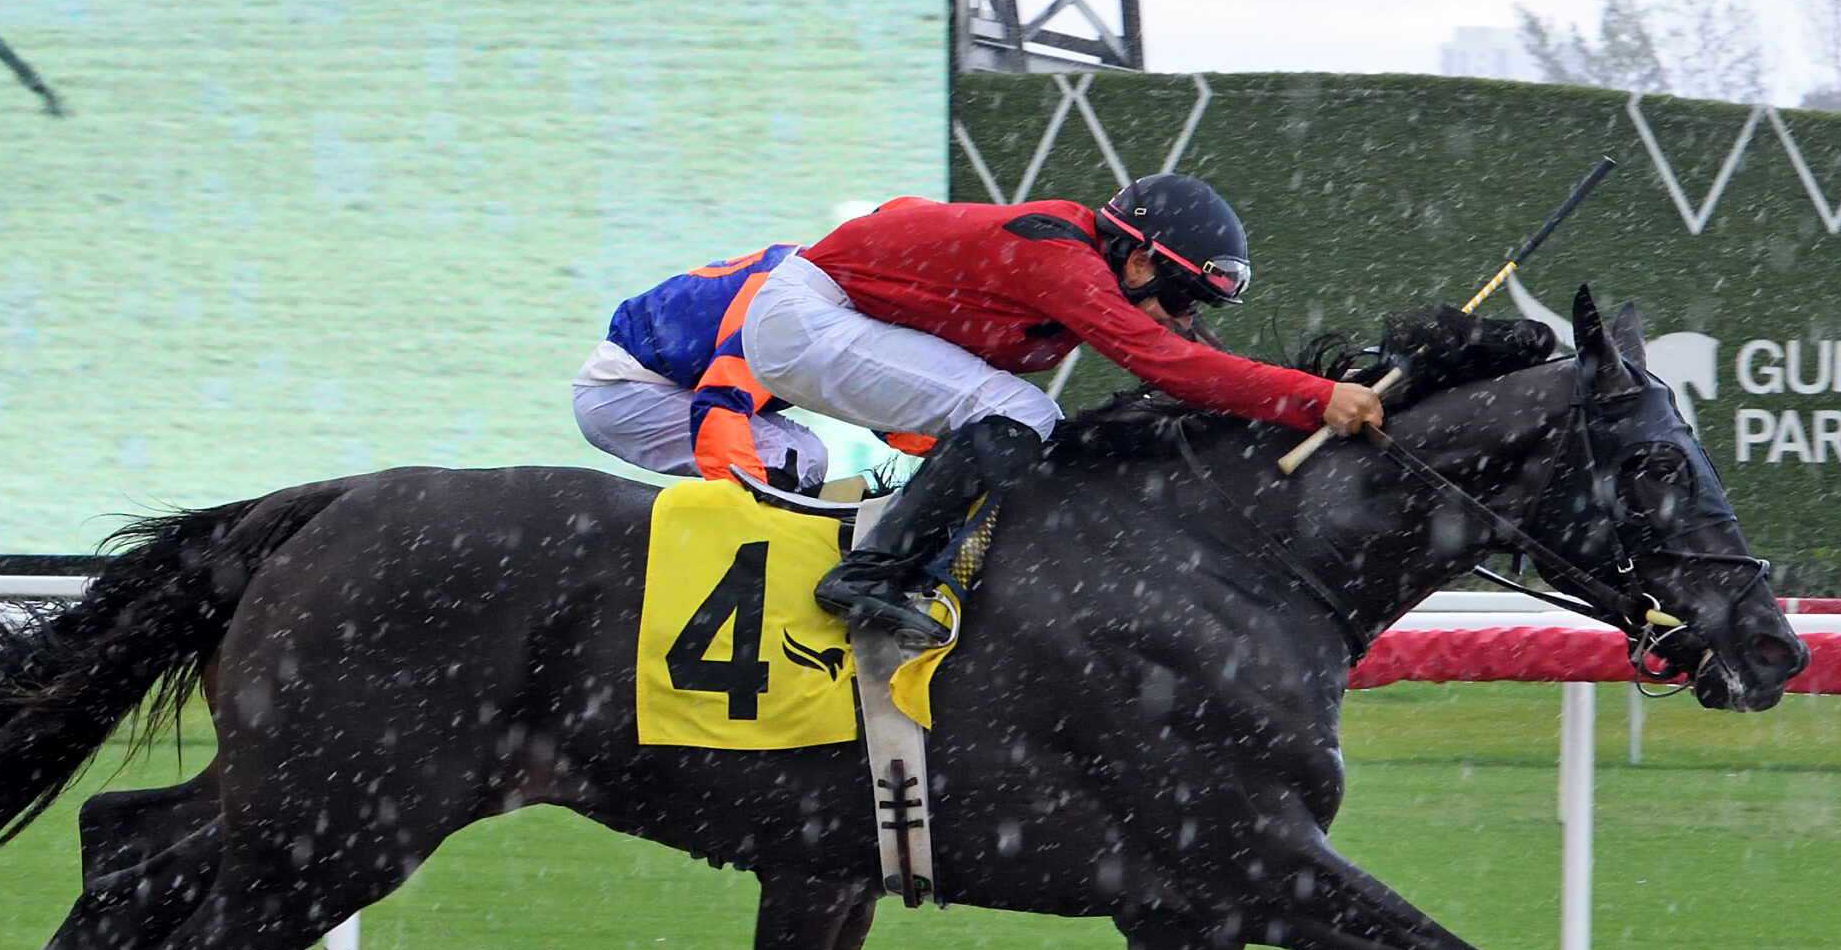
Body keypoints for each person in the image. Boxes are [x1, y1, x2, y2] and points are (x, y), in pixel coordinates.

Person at [753, 175, 1386, 647]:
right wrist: (1315, 398)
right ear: (1138, 261)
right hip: (805, 319)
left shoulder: (1094, 262)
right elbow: (1174, 366)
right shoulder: (1059, 258)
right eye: (1181, 300)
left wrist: (1321, 391)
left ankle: (924, 566)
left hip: (826, 320)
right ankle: (871, 575)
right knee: (1021, 414)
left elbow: (1197, 356)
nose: (1184, 319)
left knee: (1026, 424)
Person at [573, 242, 838, 491]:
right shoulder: (791, 302)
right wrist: (749, 502)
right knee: (791, 462)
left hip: (655, 383)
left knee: (812, 458)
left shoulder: (819, 273)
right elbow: (719, 406)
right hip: (621, 388)